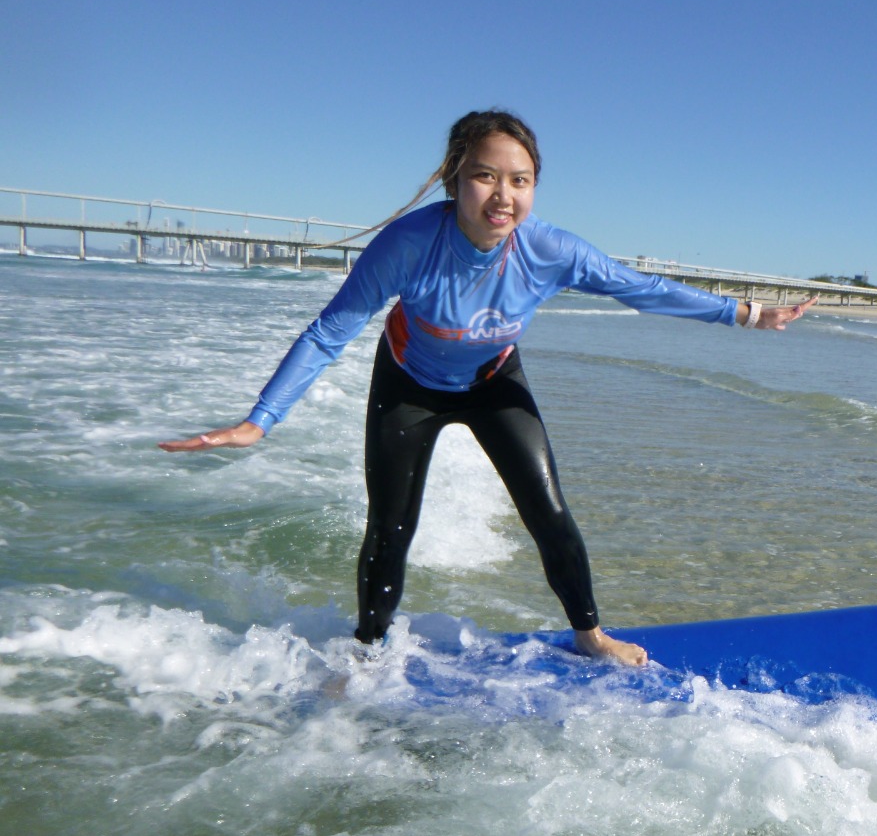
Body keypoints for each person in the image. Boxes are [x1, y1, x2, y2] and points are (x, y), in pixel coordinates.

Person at [161, 109, 814, 667]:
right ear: (454, 179)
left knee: (549, 513)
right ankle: (366, 651)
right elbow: (332, 329)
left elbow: (640, 289)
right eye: (485, 176)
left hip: (493, 379)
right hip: (409, 383)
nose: (504, 195)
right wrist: (261, 420)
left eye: (521, 181)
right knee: (391, 527)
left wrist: (748, 315)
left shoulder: (551, 251)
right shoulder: (409, 243)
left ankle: (589, 635)